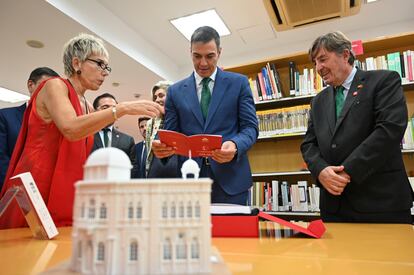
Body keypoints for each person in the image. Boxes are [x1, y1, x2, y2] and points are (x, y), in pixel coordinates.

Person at [0, 33, 162, 229]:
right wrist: (122, 108)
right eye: (100, 64)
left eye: (107, 67)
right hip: (39, 184)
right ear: (77, 63)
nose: (105, 72)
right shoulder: (54, 86)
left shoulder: (87, 105)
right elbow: (70, 128)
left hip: (67, 187)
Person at [301, 31, 413, 223]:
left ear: (345, 55)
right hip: (333, 206)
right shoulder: (318, 101)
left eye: (323, 59)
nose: (318, 68)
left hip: (380, 203)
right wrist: (321, 171)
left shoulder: (383, 81)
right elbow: (309, 144)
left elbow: (389, 130)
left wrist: (347, 172)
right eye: (315, 63)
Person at [152, 26, 258, 205]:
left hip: (231, 180)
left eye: (210, 56)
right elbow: (170, 132)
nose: (203, 63)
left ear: (219, 52)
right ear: (190, 52)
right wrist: (161, 145)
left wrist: (235, 145)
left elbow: (250, 128)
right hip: (190, 179)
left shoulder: (238, 83)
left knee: (232, 233)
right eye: (197, 56)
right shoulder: (176, 91)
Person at [0, 67, 59, 190]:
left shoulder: (58, 124)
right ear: (30, 85)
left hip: (44, 194)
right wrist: (12, 189)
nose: (51, 94)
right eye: (46, 87)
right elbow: (1, 158)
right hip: (10, 192)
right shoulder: (5, 116)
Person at [91, 93, 136, 176]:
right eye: (105, 108)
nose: (111, 111)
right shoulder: (85, 136)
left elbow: (133, 169)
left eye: (114, 108)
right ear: (95, 111)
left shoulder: (127, 140)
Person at [145, 80, 178, 179]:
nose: (157, 100)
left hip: (179, 178)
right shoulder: (151, 123)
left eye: (161, 95)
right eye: (155, 97)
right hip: (154, 177)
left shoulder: (185, 118)